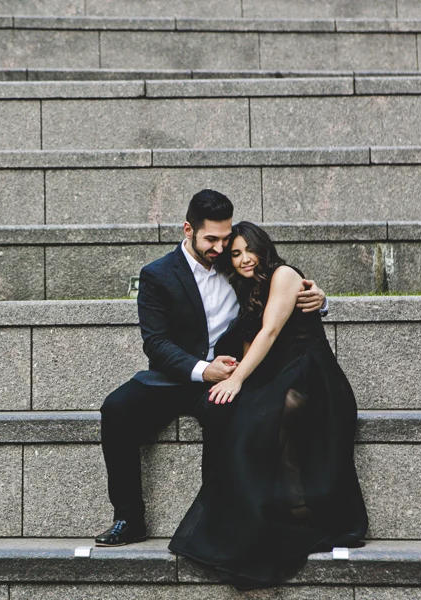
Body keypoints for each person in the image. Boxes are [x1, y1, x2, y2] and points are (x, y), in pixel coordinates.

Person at [94, 190, 328, 547]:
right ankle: (129, 518)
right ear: (188, 230)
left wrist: (321, 299)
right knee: (116, 408)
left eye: (225, 238)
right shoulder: (157, 275)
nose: (220, 247)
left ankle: (220, 521)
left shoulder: (236, 263)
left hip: (230, 376)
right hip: (176, 376)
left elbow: (278, 287)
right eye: (211, 239)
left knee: (232, 415)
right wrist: (203, 370)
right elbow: (155, 343)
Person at [168, 221, 368, 589]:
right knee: (239, 417)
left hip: (312, 377)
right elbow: (250, 342)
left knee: (260, 419)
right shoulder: (247, 289)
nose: (244, 258)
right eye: (236, 254)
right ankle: (256, 520)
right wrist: (237, 378)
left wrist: (237, 380)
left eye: (249, 250)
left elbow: (271, 331)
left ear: (264, 248)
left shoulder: (284, 274)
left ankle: (297, 510)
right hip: (281, 376)